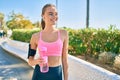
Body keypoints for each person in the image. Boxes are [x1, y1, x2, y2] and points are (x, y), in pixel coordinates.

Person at [27, 4, 68, 80]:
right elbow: (30, 61)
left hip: (56, 74)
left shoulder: (63, 34)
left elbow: (65, 60)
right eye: (50, 14)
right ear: (43, 16)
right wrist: (36, 61)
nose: (54, 16)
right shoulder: (35, 36)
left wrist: (66, 78)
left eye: (56, 14)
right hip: (39, 75)